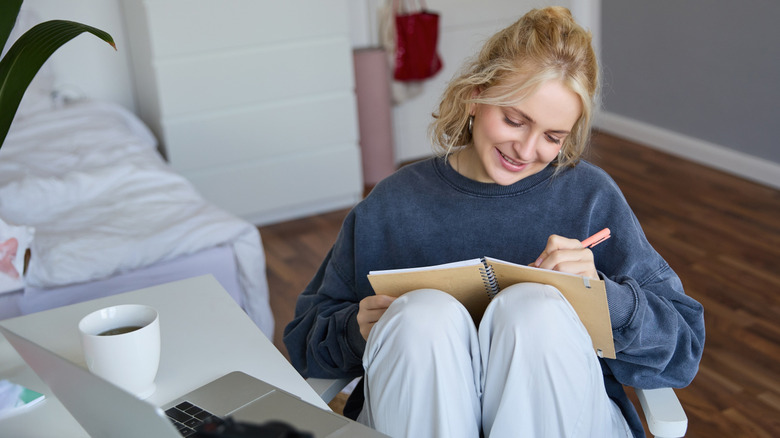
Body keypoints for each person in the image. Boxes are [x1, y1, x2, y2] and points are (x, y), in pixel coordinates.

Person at [284, 6, 705, 438]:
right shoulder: (392, 205)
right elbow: (304, 342)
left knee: (534, 311)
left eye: (553, 137)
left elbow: (683, 349)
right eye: (514, 120)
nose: (526, 149)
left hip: (567, 416)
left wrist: (605, 299)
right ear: (475, 96)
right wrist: (355, 330)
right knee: (422, 317)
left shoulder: (590, 197)